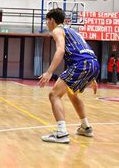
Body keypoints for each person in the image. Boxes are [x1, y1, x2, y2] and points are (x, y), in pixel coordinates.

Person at [38, 8, 99, 144]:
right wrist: (92, 76)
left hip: (81, 64)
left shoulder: (57, 30)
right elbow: (84, 51)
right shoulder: (73, 31)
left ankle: (61, 133)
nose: (46, 24)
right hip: (93, 63)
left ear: (52, 20)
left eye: (47, 21)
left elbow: (60, 50)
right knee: (72, 94)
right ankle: (85, 127)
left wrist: (49, 72)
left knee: (54, 95)